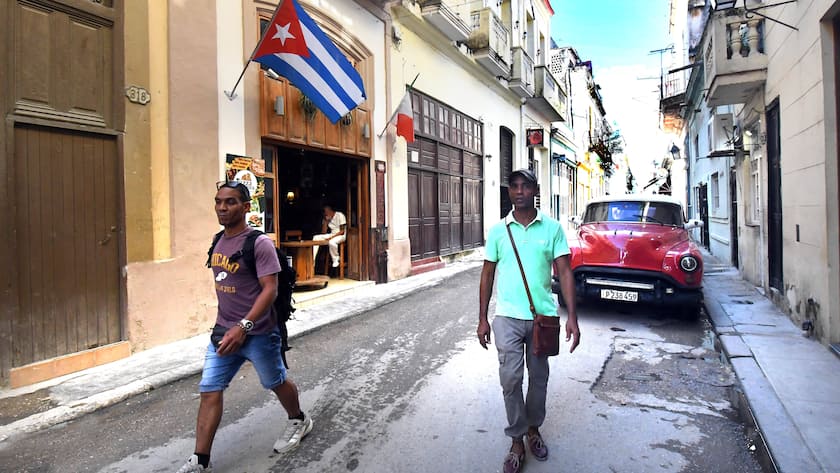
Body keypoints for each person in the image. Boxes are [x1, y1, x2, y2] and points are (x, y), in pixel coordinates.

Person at [178, 181, 313, 472]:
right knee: (210, 390)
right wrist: (230, 326)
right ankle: (200, 460)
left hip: (258, 333)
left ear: (246, 206)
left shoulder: (259, 243)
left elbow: (270, 290)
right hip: (223, 332)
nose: (222, 208)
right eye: (218, 202)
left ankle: (299, 419)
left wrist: (244, 326)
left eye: (230, 202)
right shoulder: (218, 240)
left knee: (275, 382)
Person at [477, 169, 581, 473]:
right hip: (507, 316)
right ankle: (516, 440)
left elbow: (564, 272)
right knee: (510, 379)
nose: (519, 191)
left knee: (538, 380)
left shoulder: (552, 229)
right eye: (514, 187)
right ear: (509, 192)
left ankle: (534, 429)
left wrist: (572, 316)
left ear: (536, 190)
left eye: (526, 186)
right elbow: (487, 274)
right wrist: (482, 318)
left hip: (542, 318)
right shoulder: (498, 230)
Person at [312, 204, 347, 269]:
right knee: (316, 237)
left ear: (329, 210)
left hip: (341, 235)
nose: (325, 214)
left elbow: (342, 231)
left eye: (325, 212)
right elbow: (323, 232)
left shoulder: (340, 215)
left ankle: (336, 259)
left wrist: (331, 237)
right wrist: (326, 222)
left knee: (331, 242)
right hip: (332, 234)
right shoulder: (326, 218)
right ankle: (312, 260)